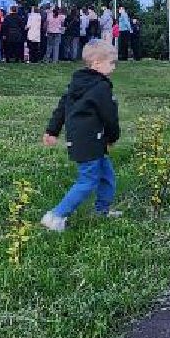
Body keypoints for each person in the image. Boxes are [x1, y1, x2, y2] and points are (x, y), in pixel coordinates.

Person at [40, 39, 123, 232]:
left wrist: (52, 131)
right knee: (87, 181)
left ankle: (101, 210)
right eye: (111, 63)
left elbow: (61, 108)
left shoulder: (77, 83)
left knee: (106, 174)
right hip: (91, 140)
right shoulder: (101, 87)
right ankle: (56, 216)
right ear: (96, 64)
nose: (114, 67)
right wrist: (113, 137)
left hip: (85, 139)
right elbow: (110, 116)